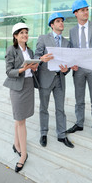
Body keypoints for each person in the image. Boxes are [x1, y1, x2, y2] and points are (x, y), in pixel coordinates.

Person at [3, 22, 50, 173]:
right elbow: (9, 71)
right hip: (17, 87)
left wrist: (36, 65)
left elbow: (33, 68)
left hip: (29, 86)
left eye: (26, 32)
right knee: (20, 120)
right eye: (21, 32)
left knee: (19, 119)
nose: (25, 35)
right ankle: (23, 155)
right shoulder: (11, 50)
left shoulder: (29, 51)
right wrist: (23, 69)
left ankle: (16, 144)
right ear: (15, 36)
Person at [66, 0, 92, 143]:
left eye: (87, 9)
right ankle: (79, 123)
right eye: (82, 10)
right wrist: (72, 64)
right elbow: (72, 51)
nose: (86, 12)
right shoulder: (72, 31)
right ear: (76, 13)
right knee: (79, 100)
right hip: (78, 70)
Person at [34, 12, 74, 148]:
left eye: (62, 21)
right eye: (58, 21)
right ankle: (43, 133)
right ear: (52, 25)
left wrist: (66, 70)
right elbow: (36, 57)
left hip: (60, 79)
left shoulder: (67, 43)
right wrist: (41, 59)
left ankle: (62, 135)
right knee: (44, 108)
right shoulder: (43, 38)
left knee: (60, 109)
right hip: (45, 78)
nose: (61, 23)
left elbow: (68, 63)